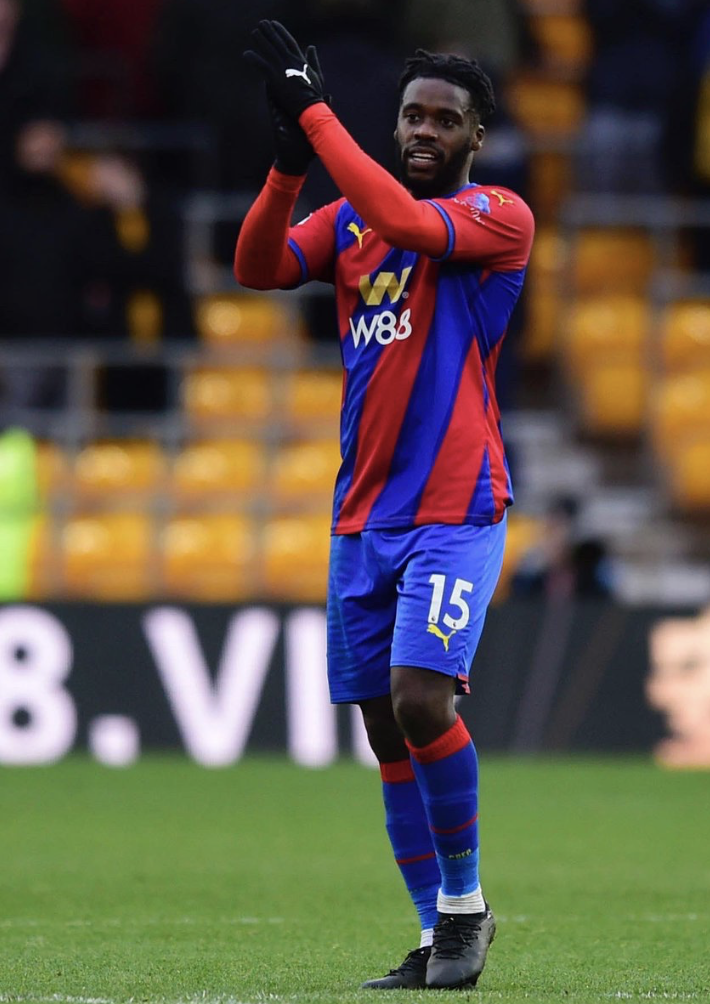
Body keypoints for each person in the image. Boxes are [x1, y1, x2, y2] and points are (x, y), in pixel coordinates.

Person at [235, 20, 534, 991]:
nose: (422, 131)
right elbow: (257, 268)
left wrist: (315, 115)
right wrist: (288, 163)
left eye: (443, 120)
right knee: (382, 728)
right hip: (361, 517)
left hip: (455, 507)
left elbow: (407, 224)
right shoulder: (349, 222)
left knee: (419, 698)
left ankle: (465, 908)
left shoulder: (497, 216)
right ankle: (434, 931)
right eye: (411, 115)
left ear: (475, 136)